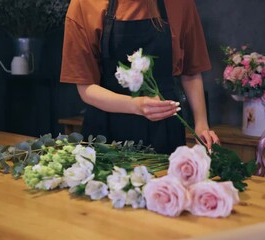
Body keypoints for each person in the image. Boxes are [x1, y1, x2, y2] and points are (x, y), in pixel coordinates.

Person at [60, 0, 219, 154]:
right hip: (106, 130)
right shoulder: (85, 4)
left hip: (164, 128)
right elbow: (85, 87)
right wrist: (136, 105)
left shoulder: (179, 4)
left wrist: (201, 125)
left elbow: (190, 71)